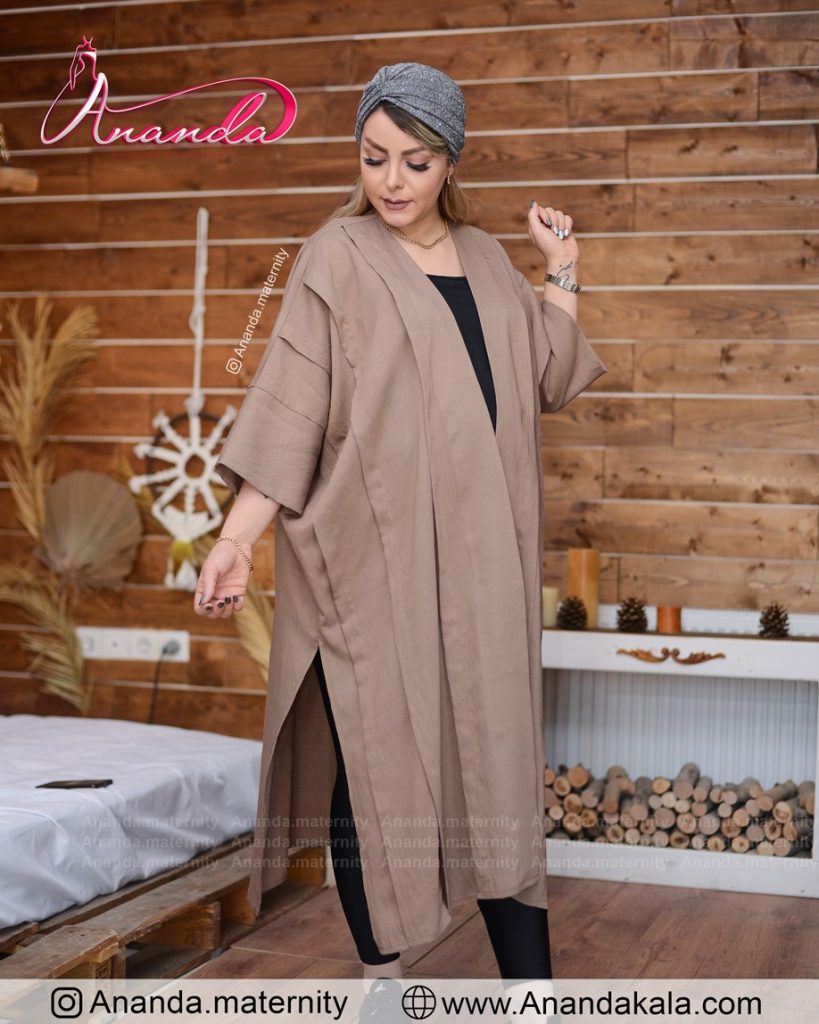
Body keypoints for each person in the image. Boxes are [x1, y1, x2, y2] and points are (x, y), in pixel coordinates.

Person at [194, 62, 605, 1011]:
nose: (391, 181)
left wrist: (561, 270)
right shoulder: (334, 256)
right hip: (373, 557)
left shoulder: (489, 261)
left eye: (414, 162)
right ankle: (382, 978)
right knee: (375, 755)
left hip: (486, 564)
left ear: (449, 161)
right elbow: (290, 407)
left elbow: (547, 376)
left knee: (499, 764)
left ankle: (530, 993)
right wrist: (236, 538)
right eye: (373, 157)